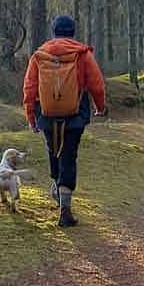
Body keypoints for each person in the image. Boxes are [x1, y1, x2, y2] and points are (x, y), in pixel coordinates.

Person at [22, 15, 106, 227]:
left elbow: (29, 88)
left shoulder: (39, 55)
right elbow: (96, 84)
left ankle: (57, 188)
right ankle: (65, 207)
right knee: (69, 154)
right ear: (73, 32)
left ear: (54, 32)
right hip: (76, 112)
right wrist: (100, 107)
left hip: (46, 113)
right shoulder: (82, 54)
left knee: (53, 150)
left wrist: (31, 117)